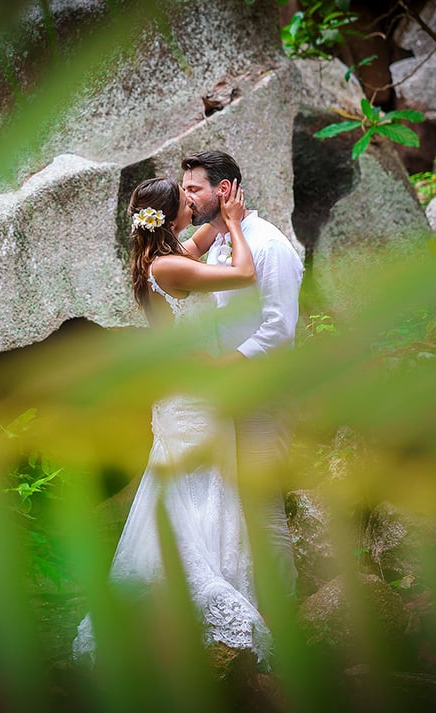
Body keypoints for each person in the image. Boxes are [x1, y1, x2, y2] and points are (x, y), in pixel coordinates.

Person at [73, 176, 273, 666]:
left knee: (184, 491)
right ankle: (205, 596)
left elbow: (197, 241)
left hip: (182, 397)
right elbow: (244, 274)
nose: (193, 205)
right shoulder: (171, 266)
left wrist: (219, 214)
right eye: (187, 201)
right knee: (202, 489)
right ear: (169, 216)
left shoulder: (158, 259)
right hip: (194, 402)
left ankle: (170, 603)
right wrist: (235, 227)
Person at [180, 150, 303, 599]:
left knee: (261, 506)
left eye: (194, 189)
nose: (186, 197)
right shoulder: (216, 238)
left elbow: (279, 329)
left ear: (224, 190)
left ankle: (287, 616)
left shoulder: (270, 246)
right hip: (221, 398)